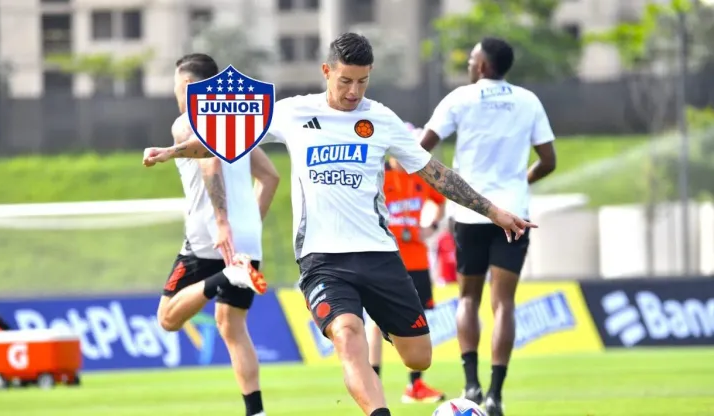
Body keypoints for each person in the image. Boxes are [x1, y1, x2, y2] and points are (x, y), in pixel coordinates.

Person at [143, 33, 536, 416]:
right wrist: (172, 151)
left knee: (420, 358)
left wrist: (493, 211)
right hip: (322, 259)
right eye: (345, 80)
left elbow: (434, 172)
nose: (353, 91)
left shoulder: (380, 118)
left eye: (362, 81)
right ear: (326, 71)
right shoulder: (293, 112)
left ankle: (385, 324)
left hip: (379, 255)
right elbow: (221, 139)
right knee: (348, 338)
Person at [419, 37, 557, 416]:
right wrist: (520, 182)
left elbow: (421, 148)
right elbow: (549, 160)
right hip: (513, 213)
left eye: (471, 58)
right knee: (504, 304)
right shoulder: (528, 100)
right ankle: (496, 394)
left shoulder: (459, 99)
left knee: (467, 299)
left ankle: (471, 385)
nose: (468, 63)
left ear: (481, 66)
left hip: (469, 213)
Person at [155, 53, 280, 416]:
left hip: (211, 239)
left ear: (192, 88)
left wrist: (223, 222)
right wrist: (248, 226)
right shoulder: (237, 125)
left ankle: (226, 274)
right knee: (231, 326)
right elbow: (271, 177)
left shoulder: (185, 122)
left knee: (167, 318)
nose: (177, 96)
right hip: (247, 242)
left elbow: (208, 157)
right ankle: (256, 412)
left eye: (179, 88)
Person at [366, 122, 447, 404]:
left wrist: (432, 225)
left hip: (418, 261)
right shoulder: (379, 176)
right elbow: (373, 217)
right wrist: (410, 232)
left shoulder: (419, 177)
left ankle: (416, 386)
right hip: (387, 260)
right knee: (377, 323)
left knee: (418, 321)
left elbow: (440, 199)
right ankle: (372, 382)